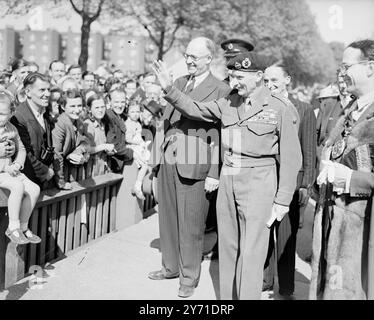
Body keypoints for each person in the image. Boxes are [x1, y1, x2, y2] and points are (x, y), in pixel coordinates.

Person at [152, 51, 302, 300]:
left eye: (240, 76)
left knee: (252, 252)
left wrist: (283, 199)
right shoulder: (229, 102)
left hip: (259, 180)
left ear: (259, 76)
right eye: (232, 76)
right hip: (229, 178)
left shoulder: (280, 107)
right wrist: (169, 88)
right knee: (229, 248)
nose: (235, 82)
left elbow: (291, 158)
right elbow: (195, 108)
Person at [148, 37, 230, 298]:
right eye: (187, 55)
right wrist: (156, 161)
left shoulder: (221, 89)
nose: (189, 60)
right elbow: (166, 124)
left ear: (209, 58)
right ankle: (170, 267)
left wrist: (215, 173)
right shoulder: (180, 82)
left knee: (191, 226)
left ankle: (188, 277)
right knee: (168, 218)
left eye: (195, 56)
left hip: (196, 166)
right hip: (169, 161)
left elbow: (220, 133)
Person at [310, 39, 374, 300]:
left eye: (347, 66)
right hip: (329, 225)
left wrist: (351, 179)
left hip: (360, 236)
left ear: (370, 67)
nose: (341, 72)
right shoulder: (349, 112)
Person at [262, 64, 316, 297]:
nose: (269, 85)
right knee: (264, 234)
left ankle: (285, 288)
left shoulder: (303, 109)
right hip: (264, 180)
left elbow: (309, 150)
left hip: (291, 183)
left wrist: (306, 184)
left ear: (287, 80)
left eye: (274, 80)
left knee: (286, 238)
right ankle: (264, 280)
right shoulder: (261, 106)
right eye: (265, 81)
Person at [0, 90, 41, 245]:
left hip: (10, 169)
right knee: (17, 186)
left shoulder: (11, 129)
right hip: (1, 172)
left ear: (11, 113)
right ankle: (13, 226)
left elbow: (21, 149)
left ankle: (23, 227)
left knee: (34, 189)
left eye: (2, 114)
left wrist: (17, 164)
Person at [10, 72, 56, 190]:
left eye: (48, 90)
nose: (47, 94)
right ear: (28, 92)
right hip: (28, 182)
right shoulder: (18, 117)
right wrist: (45, 172)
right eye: (42, 90)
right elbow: (26, 153)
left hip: (45, 181)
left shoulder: (45, 113)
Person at [52, 89, 90, 190]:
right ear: (63, 107)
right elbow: (56, 153)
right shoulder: (60, 123)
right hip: (56, 175)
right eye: (72, 106)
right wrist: (61, 182)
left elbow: (84, 142)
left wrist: (77, 153)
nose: (77, 110)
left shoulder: (79, 122)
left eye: (79, 106)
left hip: (71, 172)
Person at [84, 93, 116, 177]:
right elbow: (87, 149)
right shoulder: (88, 124)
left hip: (104, 165)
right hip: (92, 168)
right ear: (90, 109)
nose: (100, 110)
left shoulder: (103, 123)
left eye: (102, 107)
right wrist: (104, 146)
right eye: (97, 108)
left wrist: (109, 151)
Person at [125, 101, 151, 200]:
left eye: (137, 112)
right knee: (145, 164)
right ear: (128, 113)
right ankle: (138, 185)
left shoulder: (137, 123)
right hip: (132, 147)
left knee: (148, 162)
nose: (135, 114)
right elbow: (128, 139)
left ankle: (141, 184)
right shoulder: (129, 124)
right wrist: (139, 143)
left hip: (138, 146)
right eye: (132, 112)